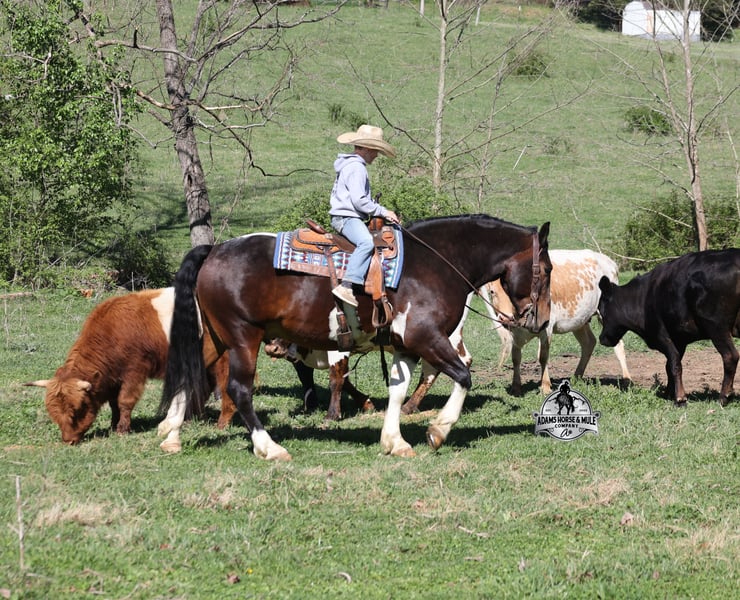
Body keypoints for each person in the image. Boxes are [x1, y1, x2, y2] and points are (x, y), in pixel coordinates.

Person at [329, 124, 400, 307]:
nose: (376, 155)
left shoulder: (351, 165)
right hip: (347, 218)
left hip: (346, 216)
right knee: (366, 242)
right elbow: (359, 200)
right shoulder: (356, 167)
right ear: (367, 149)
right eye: (375, 151)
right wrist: (383, 211)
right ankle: (347, 285)